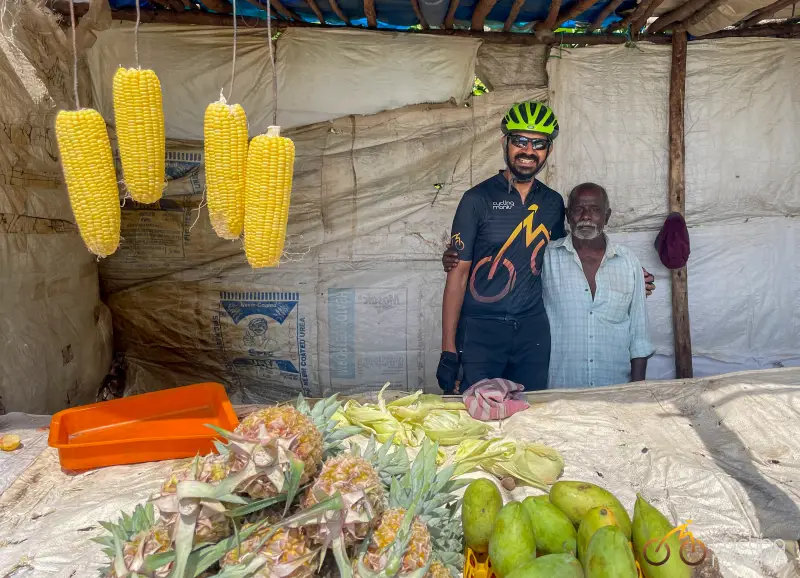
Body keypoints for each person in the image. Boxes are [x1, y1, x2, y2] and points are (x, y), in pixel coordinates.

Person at [438, 101, 655, 393]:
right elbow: (458, 276)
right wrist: (448, 349)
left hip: (533, 332)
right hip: (481, 329)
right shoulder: (476, 199)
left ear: (548, 151)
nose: (528, 151)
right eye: (520, 141)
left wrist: (627, 273)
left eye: (538, 144)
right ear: (505, 142)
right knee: (480, 413)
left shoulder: (553, 203)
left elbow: (570, 250)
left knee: (533, 414)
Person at [543, 183, 654, 387]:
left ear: (607, 216)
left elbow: (639, 335)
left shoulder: (628, 261)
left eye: (595, 210)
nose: (586, 216)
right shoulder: (546, 259)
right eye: (579, 209)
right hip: (560, 390)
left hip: (615, 391)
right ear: (568, 216)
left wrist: (637, 391)